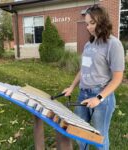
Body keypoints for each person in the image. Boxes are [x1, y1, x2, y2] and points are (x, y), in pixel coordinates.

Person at [63, 5, 125, 150]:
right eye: (86, 24)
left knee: (99, 137)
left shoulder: (113, 44)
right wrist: (72, 87)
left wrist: (98, 98)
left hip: (101, 97)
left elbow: (118, 78)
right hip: (83, 94)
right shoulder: (88, 45)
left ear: (102, 21)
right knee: (79, 133)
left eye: (92, 23)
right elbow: (83, 70)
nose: (88, 27)